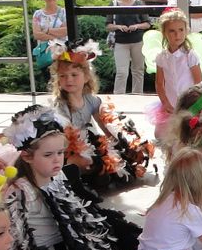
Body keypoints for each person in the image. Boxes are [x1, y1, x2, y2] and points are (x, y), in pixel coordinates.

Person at [4, 105, 138, 250]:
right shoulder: (21, 191)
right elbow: (19, 245)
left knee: (120, 243)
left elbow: (76, 213)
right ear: (27, 156)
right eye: (48, 155)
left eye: (60, 152)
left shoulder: (58, 176)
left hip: (70, 243)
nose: (57, 159)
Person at [47, 41, 155, 185]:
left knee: (123, 156)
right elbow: (64, 139)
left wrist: (123, 145)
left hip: (89, 144)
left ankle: (95, 172)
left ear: (86, 77)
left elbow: (106, 127)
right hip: (67, 149)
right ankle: (75, 175)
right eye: (62, 76)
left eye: (74, 75)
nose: (69, 80)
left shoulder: (92, 100)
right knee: (82, 161)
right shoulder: (60, 105)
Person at [150, 10, 202, 136]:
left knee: (187, 134)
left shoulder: (190, 55)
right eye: (172, 31)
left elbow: (198, 82)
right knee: (161, 134)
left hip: (188, 104)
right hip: (171, 104)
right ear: (164, 33)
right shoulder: (161, 57)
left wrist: (195, 104)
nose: (177, 35)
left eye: (181, 30)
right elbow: (159, 83)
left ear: (186, 31)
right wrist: (165, 103)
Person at [106, 0, 153, 94]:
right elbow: (108, 25)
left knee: (138, 71)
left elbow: (147, 24)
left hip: (137, 41)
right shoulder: (114, 4)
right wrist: (118, 27)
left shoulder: (139, 4)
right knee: (122, 72)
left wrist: (136, 26)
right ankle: (119, 96)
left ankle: (137, 95)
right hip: (120, 42)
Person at [32, 0, 68, 69]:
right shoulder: (38, 14)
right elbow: (37, 34)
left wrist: (48, 30)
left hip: (62, 52)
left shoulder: (64, 12)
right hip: (45, 52)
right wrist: (55, 37)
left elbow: (67, 31)